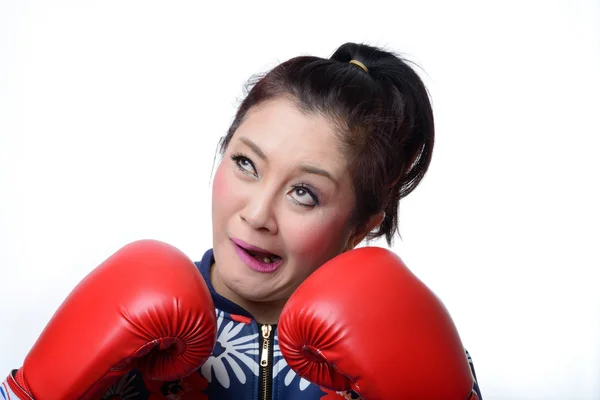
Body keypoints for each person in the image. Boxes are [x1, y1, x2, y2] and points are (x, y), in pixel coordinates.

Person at [2, 42, 483, 400]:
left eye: (303, 193)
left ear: (359, 227)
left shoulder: (399, 338)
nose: (255, 215)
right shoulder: (134, 320)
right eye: (246, 164)